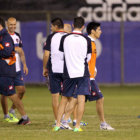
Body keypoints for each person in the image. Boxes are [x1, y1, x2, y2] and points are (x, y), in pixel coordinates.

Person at [53, 17, 92, 132]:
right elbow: (88, 58)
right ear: (83, 27)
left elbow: (62, 54)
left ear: (73, 25)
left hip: (68, 72)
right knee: (81, 99)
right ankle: (77, 126)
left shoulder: (65, 38)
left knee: (64, 98)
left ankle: (58, 124)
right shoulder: (86, 39)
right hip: (82, 72)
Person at [0, 17, 30, 125]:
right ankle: (6, 115)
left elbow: (20, 52)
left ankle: (13, 111)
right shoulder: (3, 36)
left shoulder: (16, 36)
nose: (13, 26)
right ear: (6, 24)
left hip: (14, 69)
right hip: (6, 69)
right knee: (5, 93)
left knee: (21, 91)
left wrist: (25, 65)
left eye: (14, 24)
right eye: (11, 24)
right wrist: (14, 49)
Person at [86, 21, 114, 130]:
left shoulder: (92, 42)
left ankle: (63, 120)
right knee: (100, 98)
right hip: (87, 77)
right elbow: (83, 58)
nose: (101, 31)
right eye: (99, 29)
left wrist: (94, 68)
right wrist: (88, 71)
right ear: (92, 31)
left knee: (77, 100)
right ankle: (103, 124)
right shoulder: (88, 42)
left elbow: (90, 59)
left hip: (89, 76)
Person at [43, 18, 67, 126]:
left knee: (55, 97)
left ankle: (57, 122)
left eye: (51, 26)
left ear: (56, 26)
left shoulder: (51, 37)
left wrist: (44, 68)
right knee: (67, 96)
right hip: (67, 70)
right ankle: (66, 120)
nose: (51, 28)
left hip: (54, 70)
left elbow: (46, 54)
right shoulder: (68, 37)